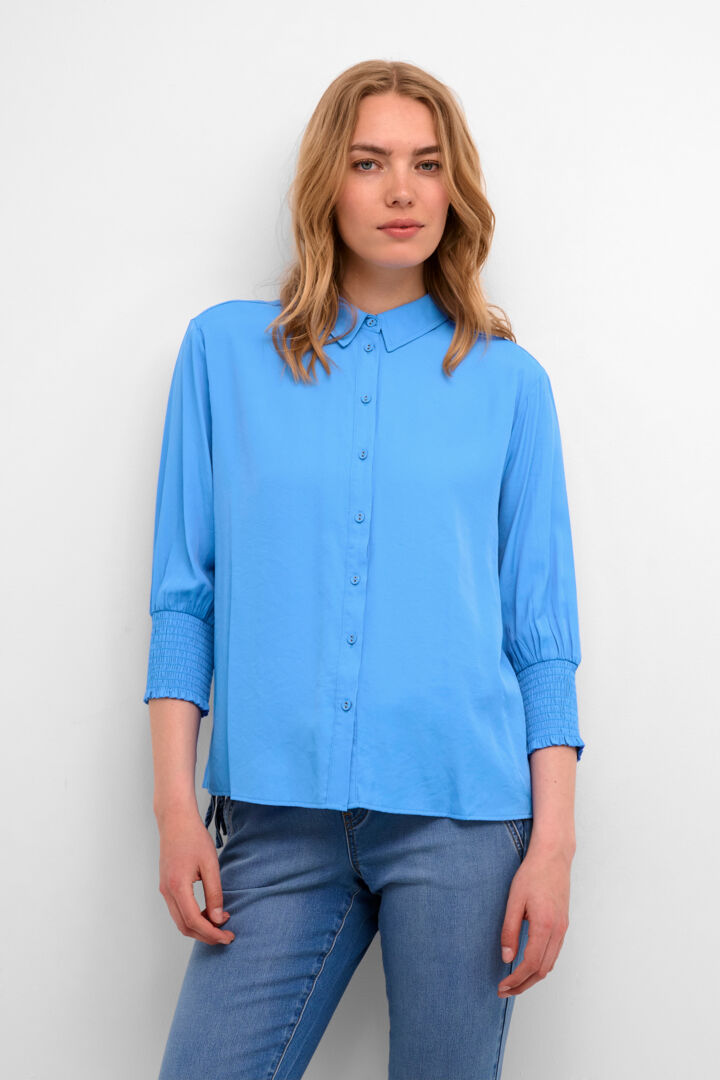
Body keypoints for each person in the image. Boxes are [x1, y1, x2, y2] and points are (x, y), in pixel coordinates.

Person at [144, 59, 586, 1080]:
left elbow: (541, 635)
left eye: (427, 165)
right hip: (274, 822)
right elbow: (183, 599)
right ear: (326, 185)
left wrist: (553, 846)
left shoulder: (510, 384)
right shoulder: (224, 353)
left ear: (454, 188)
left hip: (463, 824)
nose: (401, 191)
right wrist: (174, 809)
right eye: (369, 162)